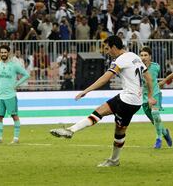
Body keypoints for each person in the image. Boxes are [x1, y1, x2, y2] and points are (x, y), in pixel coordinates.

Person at [50, 36, 156, 167]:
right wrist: (150, 96)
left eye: (107, 49)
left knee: (99, 112)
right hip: (136, 103)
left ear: (114, 47)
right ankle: (114, 160)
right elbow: (149, 78)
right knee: (119, 131)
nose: (106, 52)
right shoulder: (134, 56)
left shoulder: (120, 60)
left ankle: (71, 130)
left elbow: (105, 78)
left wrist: (86, 91)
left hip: (126, 99)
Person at [0, 45, 30, 144]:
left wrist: (16, 84)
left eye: (5, 52)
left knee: (14, 116)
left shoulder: (14, 65)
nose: (3, 54)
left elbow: (26, 75)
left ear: (8, 53)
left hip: (10, 95)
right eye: (1, 52)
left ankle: (16, 138)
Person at [140, 47, 173, 149]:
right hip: (144, 97)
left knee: (155, 114)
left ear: (150, 57)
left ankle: (158, 139)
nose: (143, 57)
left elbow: (152, 80)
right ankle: (165, 132)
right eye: (141, 55)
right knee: (155, 121)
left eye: (145, 55)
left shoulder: (156, 67)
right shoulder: (137, 68)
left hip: (155, 94)